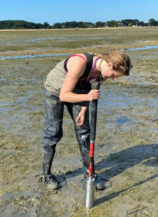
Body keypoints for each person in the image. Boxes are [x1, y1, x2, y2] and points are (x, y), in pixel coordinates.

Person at [40, 51, 132, 190]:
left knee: (84, 132)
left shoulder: (102, 73)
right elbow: (64, 95)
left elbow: (89, 90)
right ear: (109, 64)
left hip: (78, 92)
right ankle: (45, 175)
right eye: (113, 75)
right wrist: (88, 97)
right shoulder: (80, 62)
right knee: (53, 131)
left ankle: (89, 175)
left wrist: (83, 110)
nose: (112, 78)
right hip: (56, 90)